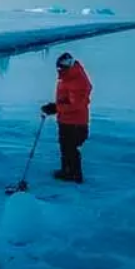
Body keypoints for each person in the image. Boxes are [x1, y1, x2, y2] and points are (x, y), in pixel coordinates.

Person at [41, 52, 92, 184]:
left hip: (75, 123)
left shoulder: (77, 81)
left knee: (71, 149)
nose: (59, 71)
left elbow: (75, 104)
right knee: (66, 147)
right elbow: (67, 100)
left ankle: (74, 175)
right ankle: (67, 171)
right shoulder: (69, 77)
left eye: (61, 68)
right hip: (67, 121)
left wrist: (56, 108)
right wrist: (56, 106)